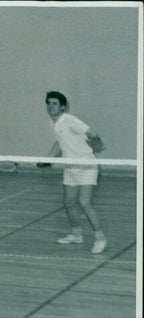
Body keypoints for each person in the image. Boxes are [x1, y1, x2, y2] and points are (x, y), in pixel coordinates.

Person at [43, 91, 107, 254]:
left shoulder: (69, 120)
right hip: (70, 167)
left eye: (55, 103)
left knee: (84, 203)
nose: (51, 106)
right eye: (49, 103)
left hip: (86, 165)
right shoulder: (53, 123)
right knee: (69, 202)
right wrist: (48, 158)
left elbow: (91, 132)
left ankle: (101, 239)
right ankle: (76, 235)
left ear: (62, 107)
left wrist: (96, 145)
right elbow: (59, 143)